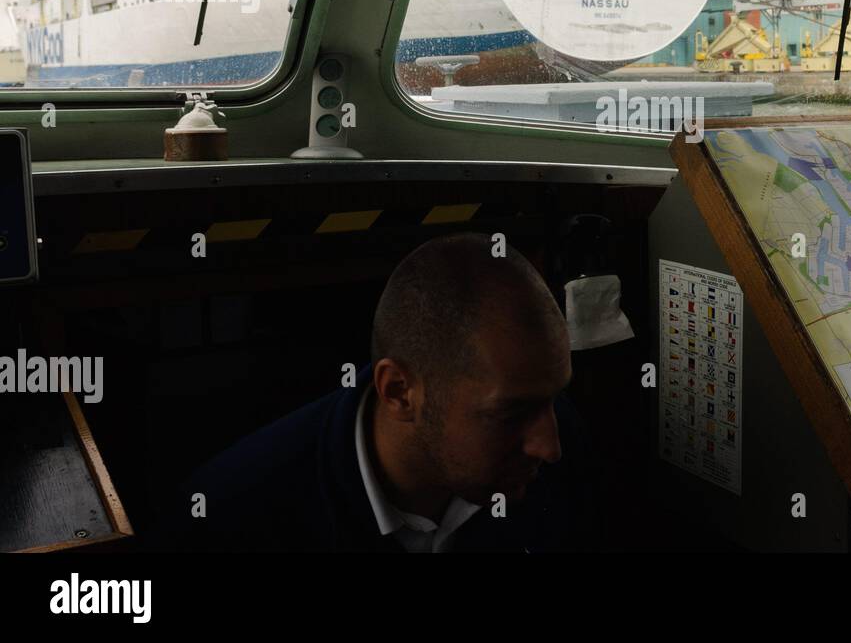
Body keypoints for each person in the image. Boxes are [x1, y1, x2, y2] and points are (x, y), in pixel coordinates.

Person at [161, 233, 597, 552]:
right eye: (510, 414)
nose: (550, 446)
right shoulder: (230, 521)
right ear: (399, 392)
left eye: (554, 397)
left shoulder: (556, 445)